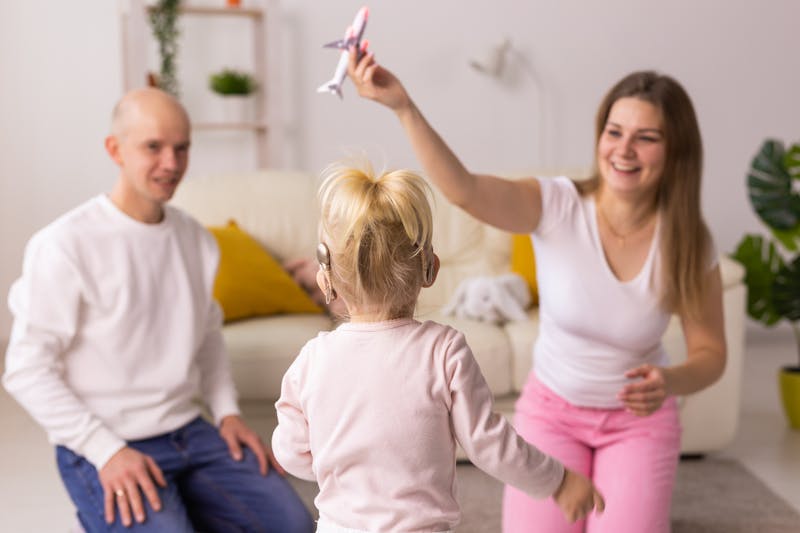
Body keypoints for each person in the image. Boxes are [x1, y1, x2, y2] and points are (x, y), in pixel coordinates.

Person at [347, 51, 726, 533]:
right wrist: (403, 107)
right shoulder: (557, 205)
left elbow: (711, 353)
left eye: (646, 138)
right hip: (554, 415)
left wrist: (670, 381)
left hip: (639, 423)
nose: (624, 150)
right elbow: (464, 190)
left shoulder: (690, 238)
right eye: (614, 132)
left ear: (676, 151)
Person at [2, 87, 314, 533]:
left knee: (295, 526)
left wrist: (227, 412)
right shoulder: (63, 245)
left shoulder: (197, 241)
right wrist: (105, 451)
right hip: (105, 439)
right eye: (154, 147)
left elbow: (207, 336)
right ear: (115, 149)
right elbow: (26, 370)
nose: (172, 162)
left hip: (190, 430)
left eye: (182, 147)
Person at [271, 161, 605, 533]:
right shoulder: (443, 351)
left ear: (325, 280)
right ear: (430, 269)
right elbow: (489, 444)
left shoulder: (312, 361)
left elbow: (291, 453)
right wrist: (556, 480)